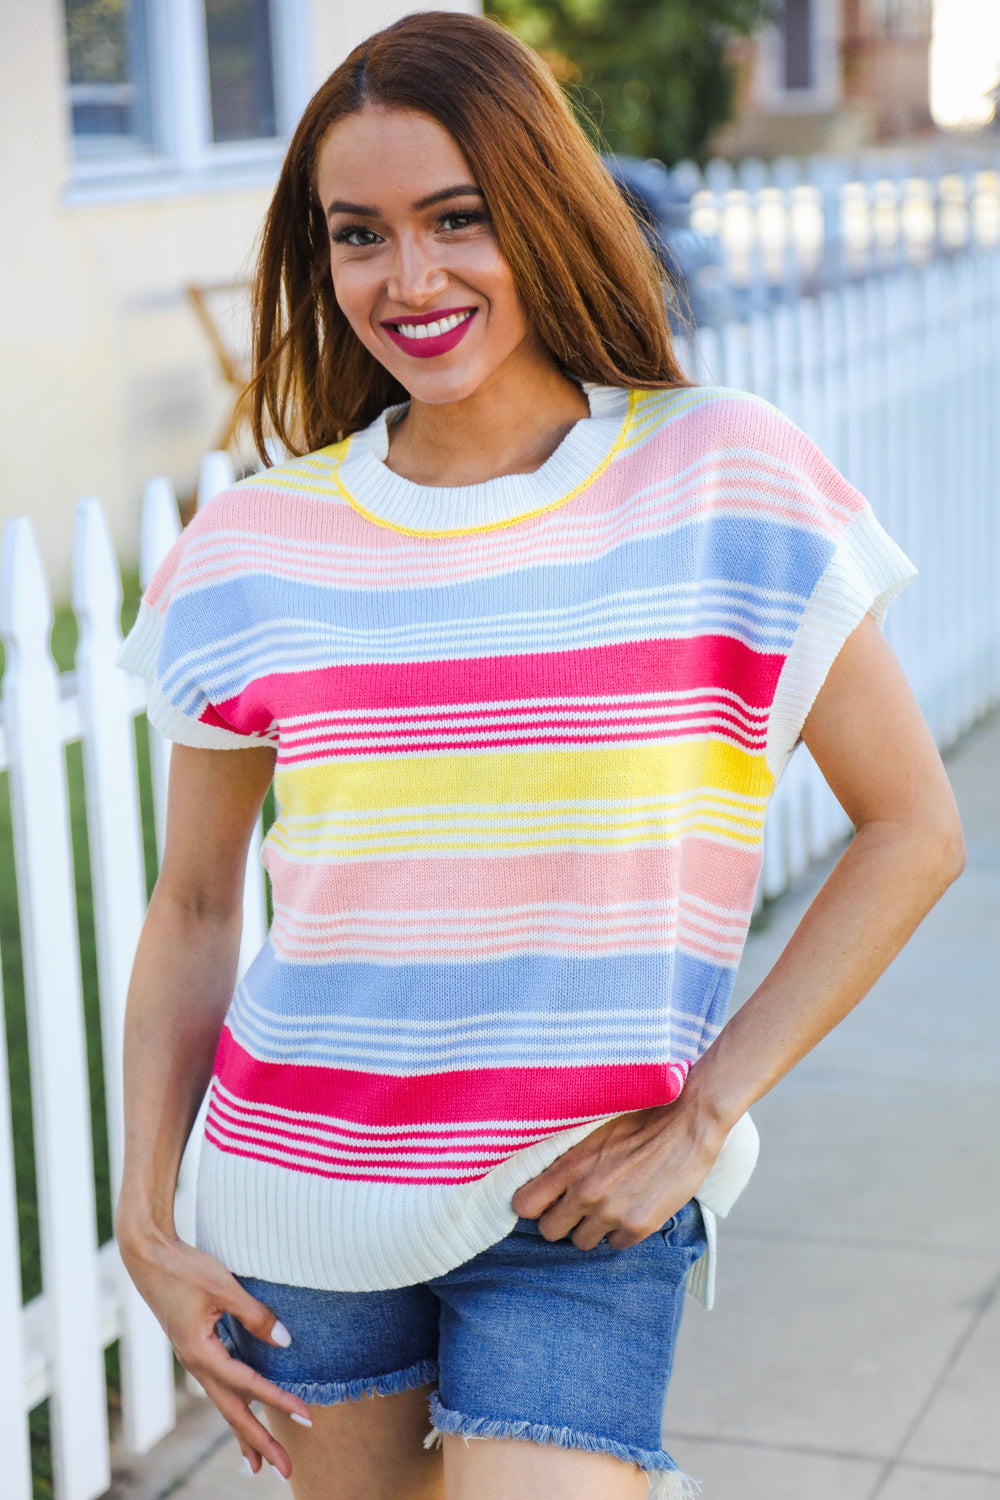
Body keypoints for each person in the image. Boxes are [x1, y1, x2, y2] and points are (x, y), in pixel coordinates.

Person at [115, 12, 964, 1500]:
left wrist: (706, 1115)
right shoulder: (255, 544)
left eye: (459, 218)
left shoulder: (721, 473)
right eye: (360, 234)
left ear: (545, 210)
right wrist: (146, 1224)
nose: (410, 279)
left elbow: (915, 830)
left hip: (583, 1201)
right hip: (300, 1194)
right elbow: (193, 906)